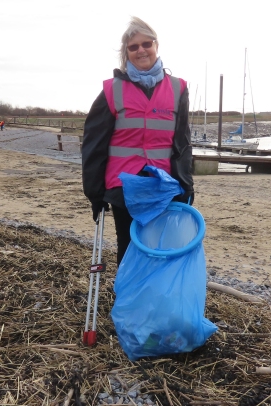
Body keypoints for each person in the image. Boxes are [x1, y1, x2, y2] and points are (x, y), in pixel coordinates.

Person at [81, 16, 193, 265]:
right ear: (126, 53)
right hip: (124, 187)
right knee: (129, 246)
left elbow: (182, 142)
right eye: (134, 47)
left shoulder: (178, 89)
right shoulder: (112, 90)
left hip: (165, 185)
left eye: (146, 44)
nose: (141, 50)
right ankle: (128, 301)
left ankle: (155, 301)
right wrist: (94, 192)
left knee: (161, 247)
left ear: (156, 46)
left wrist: (187, 184)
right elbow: (94, 145)